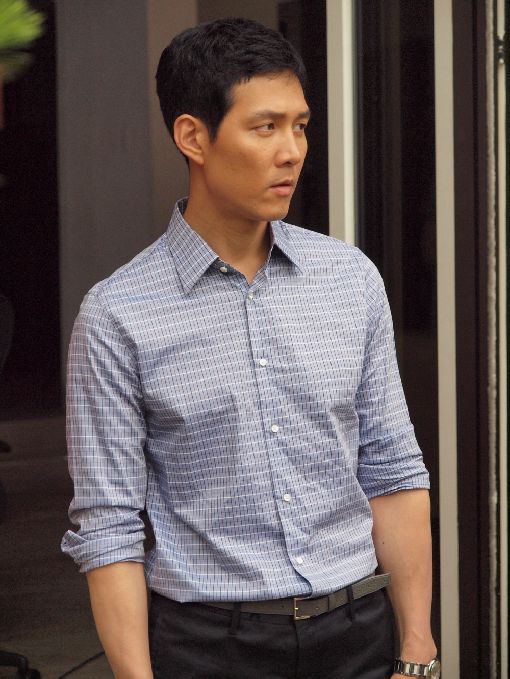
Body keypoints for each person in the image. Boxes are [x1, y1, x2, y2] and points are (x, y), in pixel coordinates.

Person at [62, 17, 439, 679]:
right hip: (209, 646)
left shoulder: (349, 279)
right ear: (193, 137)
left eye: (300, 126)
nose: (292, 151)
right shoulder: (118, 315)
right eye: (265, 127)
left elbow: (392, 469)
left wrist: (416, 651)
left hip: (358, 634)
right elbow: (108, 527)